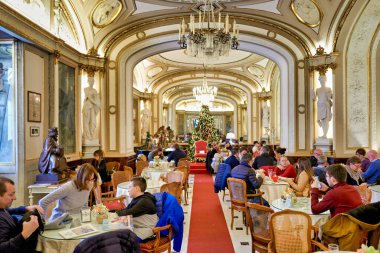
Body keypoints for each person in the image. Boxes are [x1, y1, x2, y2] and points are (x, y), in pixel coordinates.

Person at [0, 177, 44, 252]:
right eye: (11, 195)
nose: (15, 198)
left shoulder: (2, 208)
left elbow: (9, 211)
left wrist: (26, 208)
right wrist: (25, 233)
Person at [82, 76, 101, 141]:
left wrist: (97, 103)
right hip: (87, 106)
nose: (91, 82)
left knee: (93, 122)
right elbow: (89, 97)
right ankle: (87, 135)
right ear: (88, 82)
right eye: (90, 81)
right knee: (86, 121)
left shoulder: (95, 90)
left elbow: (97, 98)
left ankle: (91, 135)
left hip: (92, 107)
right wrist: (96, 103)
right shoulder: (85, 89)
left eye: (92, 81)